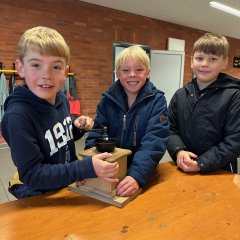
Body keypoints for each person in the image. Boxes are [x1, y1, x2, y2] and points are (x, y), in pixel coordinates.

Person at [1, 26, 119, 199]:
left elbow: (58, 137)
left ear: (65, 72)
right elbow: (33, 174)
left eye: (56, 67)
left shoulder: (61, 98)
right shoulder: (18, 116)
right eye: (36, 65)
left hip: (66, 184)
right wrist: (84, 168)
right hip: (39, 194)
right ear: (21, 68)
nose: (46, 75)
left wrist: (76, 128)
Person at [85, 45, 169, 197]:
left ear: (148, 72)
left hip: (142, 171)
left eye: (139, 70)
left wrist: (136, 175)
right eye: (125, 70)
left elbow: (155, 140)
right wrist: (91, 167)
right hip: (110, 170)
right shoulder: (107, 100)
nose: (132, 75)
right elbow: (96, 136)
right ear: (117, 73)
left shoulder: (157, 101)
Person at [167, 32, 240, 174]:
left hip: (221, 171)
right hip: (184, 167)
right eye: (199, 58)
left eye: (213, 59)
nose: (204, 64)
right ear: (191, 61)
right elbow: (170, 129)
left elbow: (235, 140)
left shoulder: (234, 96)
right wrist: (179, 151)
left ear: (224, 62)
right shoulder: (180, 95)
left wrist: (202, 163)